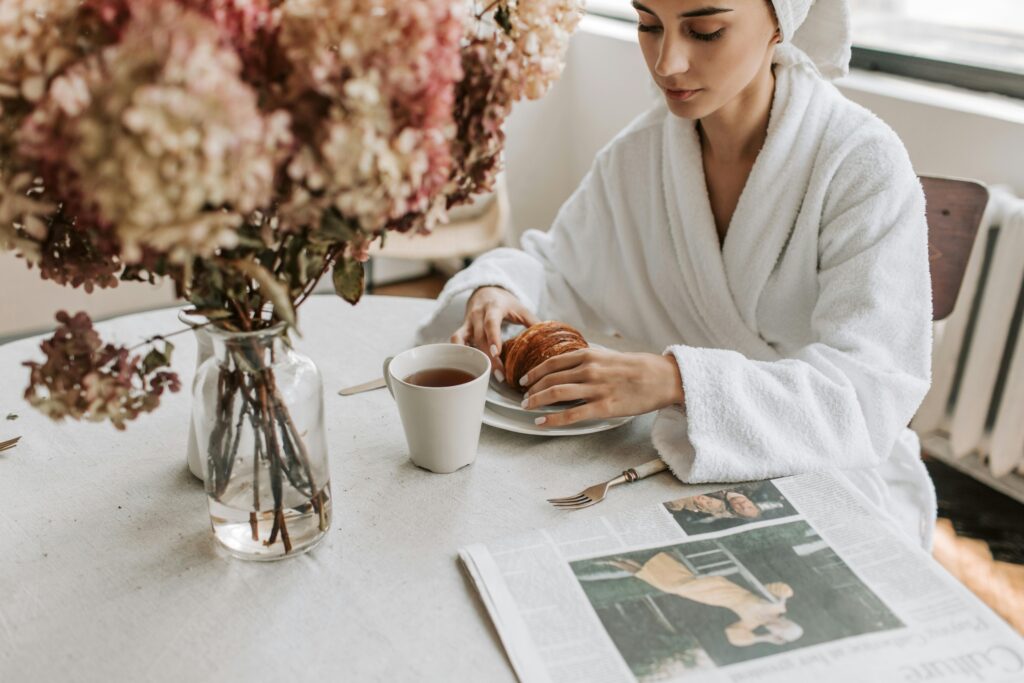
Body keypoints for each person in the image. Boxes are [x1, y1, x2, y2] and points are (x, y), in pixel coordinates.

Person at [418, 0, 935, 549]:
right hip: (670, 457)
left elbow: (870, 391)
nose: (667, 63)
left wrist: (676, 381)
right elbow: (556, 268)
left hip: (826, 468)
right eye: (648, 25)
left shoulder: (861, 164)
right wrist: (498, 287)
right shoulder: (640, 157)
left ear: (781, 23)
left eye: (705, 31)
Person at [607, 554, 804, 647]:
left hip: (713, 598)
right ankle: (626, 563)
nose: (776, 633)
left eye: (779, 636)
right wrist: (784, 596)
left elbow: (733, 635)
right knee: (673, 587)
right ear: (785, 625)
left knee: (673, 587)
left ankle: (624, 563)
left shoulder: (753, 624)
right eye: (781, 632)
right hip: (721, 587)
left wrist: (764, 638)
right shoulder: (777, 607)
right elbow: (773, 587)